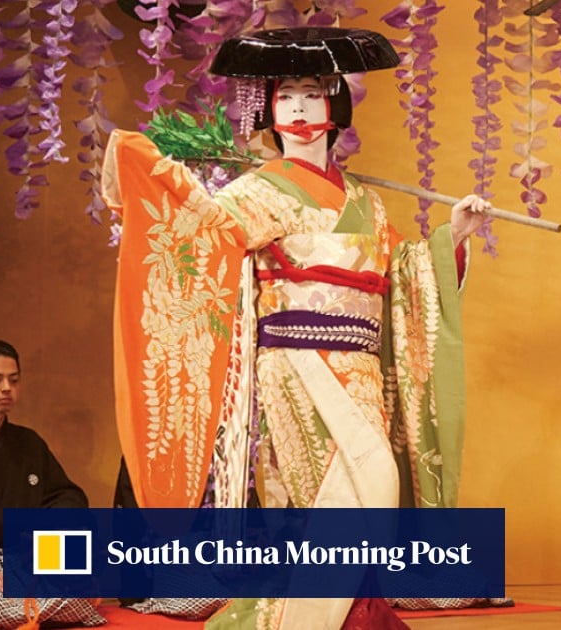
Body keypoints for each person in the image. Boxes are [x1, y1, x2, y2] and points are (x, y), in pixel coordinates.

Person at [102, 28, 488, 630]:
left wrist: (452, 237)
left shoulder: (366, 201)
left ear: (336, 106)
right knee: (330, 503)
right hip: (297, 363)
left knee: (374, 495)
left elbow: (401, 275)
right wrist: (156, 177)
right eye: (286, 96)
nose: (300, 108)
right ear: (270, 111)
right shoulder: (257, 190)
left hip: (362, 370)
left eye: (313, 93)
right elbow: (206, 234)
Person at [0, 339, 102, 628]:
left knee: (81, 592)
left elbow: (65, 495)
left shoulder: (28, 442)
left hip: (24, 556)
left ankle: (20, 610)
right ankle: (28, 610)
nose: (7, 388)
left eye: (14, 380)